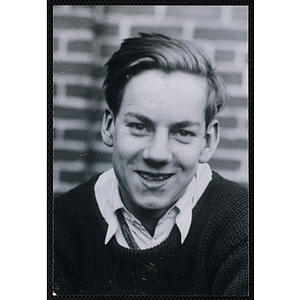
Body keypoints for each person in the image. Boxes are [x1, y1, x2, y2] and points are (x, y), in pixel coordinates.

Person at [54, 33, 248, 296]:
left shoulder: (245, 226)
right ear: (109, 126)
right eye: (139, 127)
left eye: (182, 132)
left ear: (208, 141)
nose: (158, 154)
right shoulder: (59, 227)